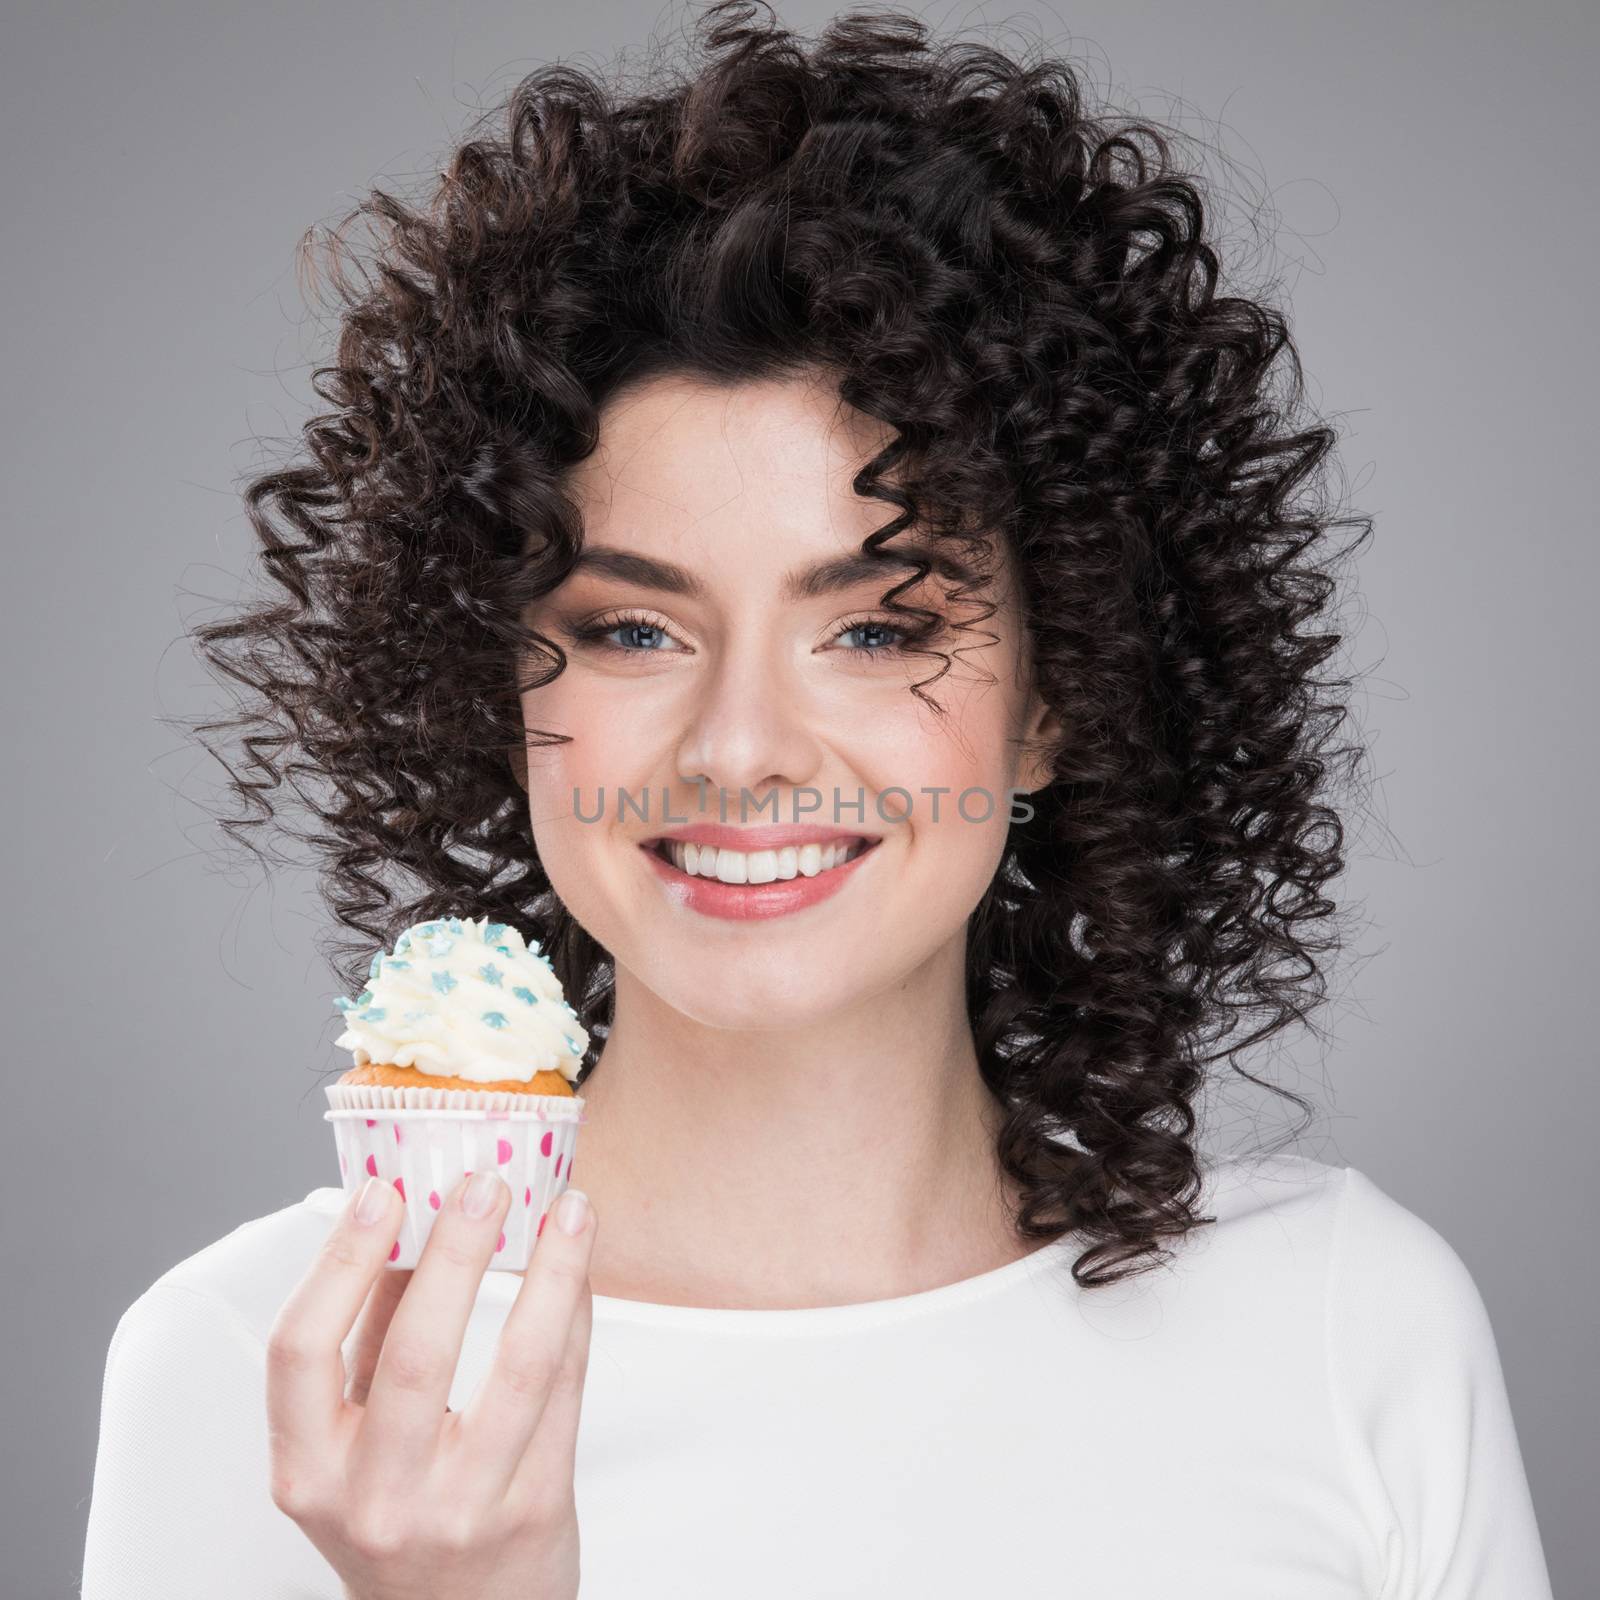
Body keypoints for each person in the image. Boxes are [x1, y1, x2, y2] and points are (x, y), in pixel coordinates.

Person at [80, 4, 1555, 1596]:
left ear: (1060, 699)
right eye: (632, 629)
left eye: (875, 629)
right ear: (497, 683)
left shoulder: (1345, 1330)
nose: (741, 748)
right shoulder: (271, 1377)